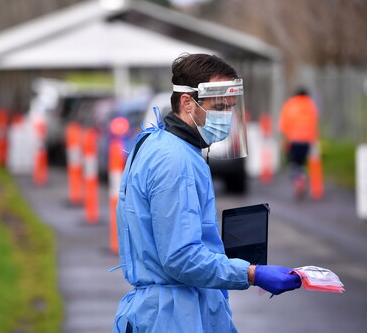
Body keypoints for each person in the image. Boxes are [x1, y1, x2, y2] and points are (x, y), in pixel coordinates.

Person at [111, 53, 301, 333]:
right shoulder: (176, 161)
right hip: (173, 317)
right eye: (220, 107)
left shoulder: (156, 142)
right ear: (187, 103)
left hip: (163, 311)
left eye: (231, 108)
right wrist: (252, 273)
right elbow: (180, 258)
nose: (227, 117)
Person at [278, 87, 319, 198]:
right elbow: (314, 123)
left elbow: (284, 122)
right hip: (306, 141)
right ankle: (302, 178)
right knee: (301, 163)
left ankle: (299, 181)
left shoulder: (290, 104)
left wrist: (284, 139)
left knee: (293, 163)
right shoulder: (310, 105)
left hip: (293, 140)